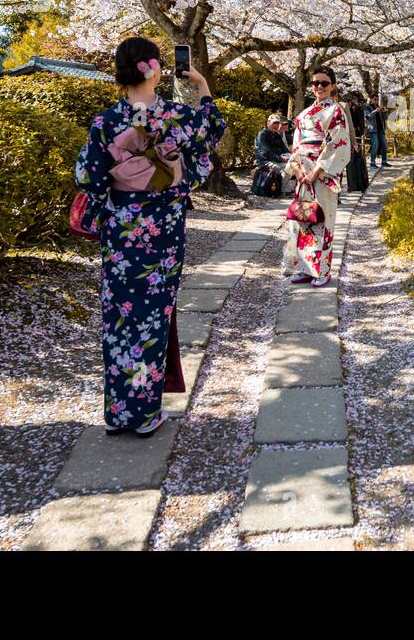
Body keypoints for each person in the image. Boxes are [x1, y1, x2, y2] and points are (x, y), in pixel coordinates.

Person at [74, 36, 226, 437]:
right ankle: (145, 415)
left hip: (121, 228)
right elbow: (211, 134)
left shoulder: (105, 121)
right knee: (153, 316)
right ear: (151, 68)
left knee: (120, 318)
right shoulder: (175, 116)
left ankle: (118, 412)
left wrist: (119, 186)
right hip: (162, 227)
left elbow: (88, 176)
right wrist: (203, 88)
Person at [282, 66, 352, 287]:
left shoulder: (336, 111)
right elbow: (296, 145)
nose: (319, 87)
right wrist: (299, 170)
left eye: (324, 83)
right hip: (303, 171)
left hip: (321, 174)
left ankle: (321, 271)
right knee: (301, 220)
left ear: (332, 86)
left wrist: (316, 171)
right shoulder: (303, 114)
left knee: (322, 220)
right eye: (315, 83)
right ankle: (303, 268)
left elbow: (337, 144)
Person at [252, 113, 289, 197]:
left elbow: (284, 149)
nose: (276, 126)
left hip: (276, 160)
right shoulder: (262, 135)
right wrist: (281, 159)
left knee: (292, 166)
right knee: (284, 168)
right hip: (265, 161)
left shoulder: (277, 135)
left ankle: (284, 189)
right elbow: (266, 152)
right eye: (274, 123)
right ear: (268, 123)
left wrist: (290, 156)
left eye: (277, 123)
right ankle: (282, 191)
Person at [366, 96, 389, 168]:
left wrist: (384, 112)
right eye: (374, 99)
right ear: (371, 99)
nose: (376, 101)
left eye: (377, 99)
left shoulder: (379, 107)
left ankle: (384, 162)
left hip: (381, 129)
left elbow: (384, 118)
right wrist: (375, 111)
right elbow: (368, 116)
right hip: (373, 130)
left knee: (384, 145)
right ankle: (372, 163)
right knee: (375, 145)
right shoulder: (367, 107)